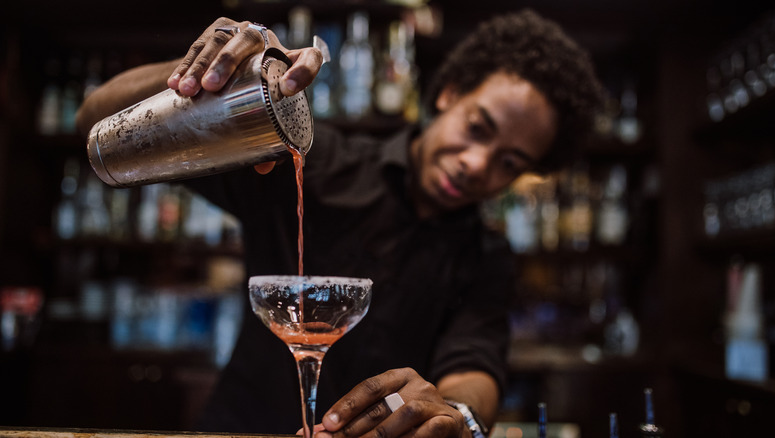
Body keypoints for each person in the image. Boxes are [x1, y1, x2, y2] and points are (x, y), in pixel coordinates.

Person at [76, 9, 603, 438]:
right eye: (478, 128)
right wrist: (205, 77)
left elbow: (475, 366)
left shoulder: (485, 255)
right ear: (450, 93)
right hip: (242, 429)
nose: (476, 163)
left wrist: (454, 416)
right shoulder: (310, 157)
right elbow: (93, 124)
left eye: (509, 163)